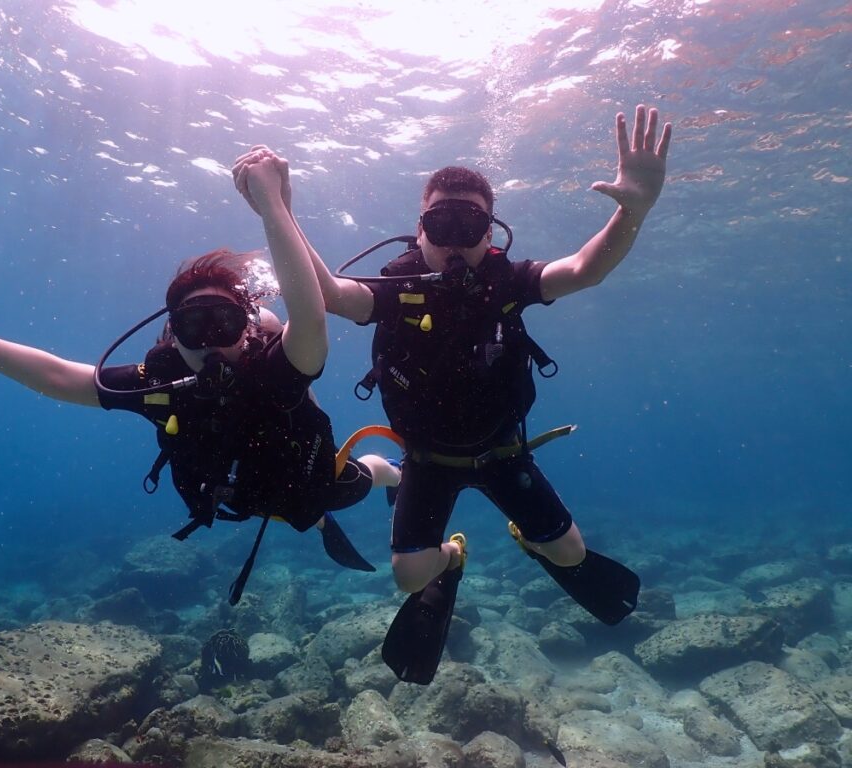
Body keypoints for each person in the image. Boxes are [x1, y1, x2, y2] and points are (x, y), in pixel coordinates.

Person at [233, 104, 672, 682]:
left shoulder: (508, 282)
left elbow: (586, 269)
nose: (457, 243)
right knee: (409, 576)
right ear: (420, 230)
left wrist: (635, 210)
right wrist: (279, 211)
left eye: (471, 227)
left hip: (504, 453)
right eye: (442, 227)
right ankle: (451, 559)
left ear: (491, 233)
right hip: (426, 459)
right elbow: (333, 296)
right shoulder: (398, 286)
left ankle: (528, 538)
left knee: (569, 555)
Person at [0, 153, 400, 604]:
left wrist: (273, 205)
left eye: (224, 324)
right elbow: (59, 377)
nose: (209, 341)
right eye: (192, 326)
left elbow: (310, 316)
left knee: (361, 478)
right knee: (307, 514)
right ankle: (322, 514)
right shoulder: (157, 384)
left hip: (310, 482)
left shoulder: (276, 367)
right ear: (172, 335)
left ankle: (398, 473)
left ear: (248, 327)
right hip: (240, 495)